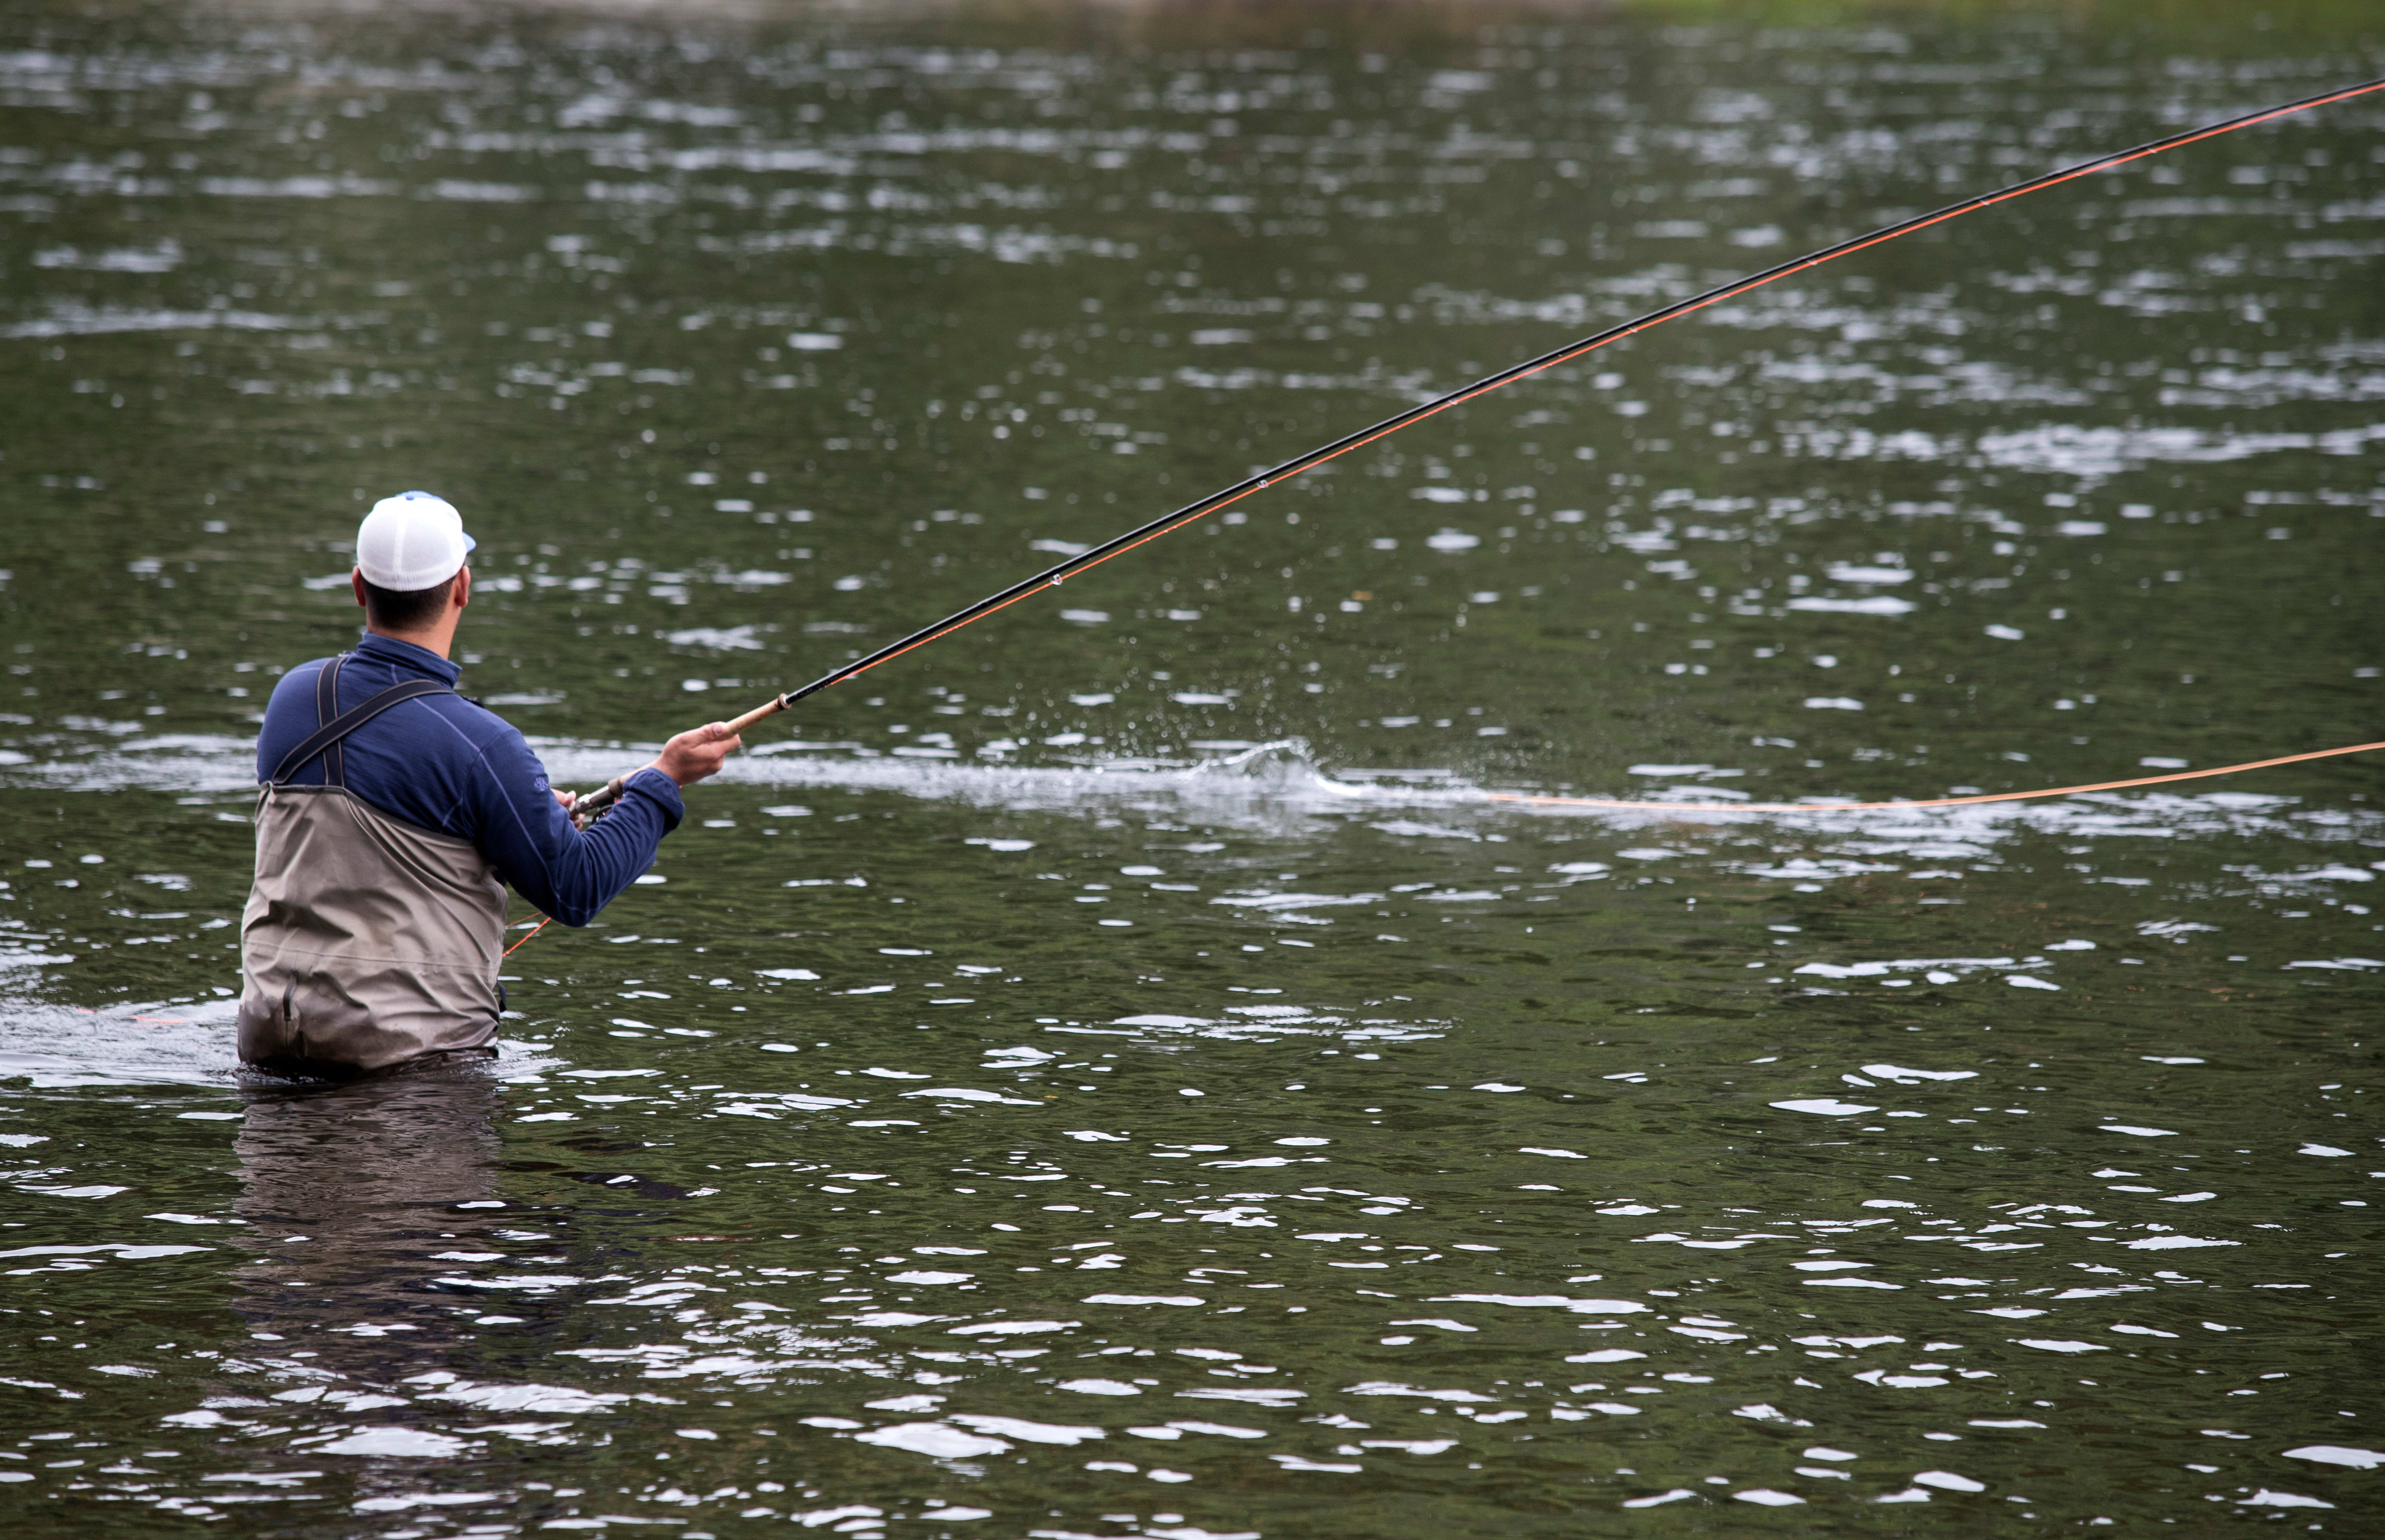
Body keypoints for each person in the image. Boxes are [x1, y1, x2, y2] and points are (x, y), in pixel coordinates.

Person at [237, 490, 739, 1077]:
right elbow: (575, 886)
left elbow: (374, 814)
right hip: (413, 1067)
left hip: (270, 1041)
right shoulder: (482, 745)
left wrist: (496, 819)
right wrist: (662, 782)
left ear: (357, 586)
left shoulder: (293, 700)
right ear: (462, 588)